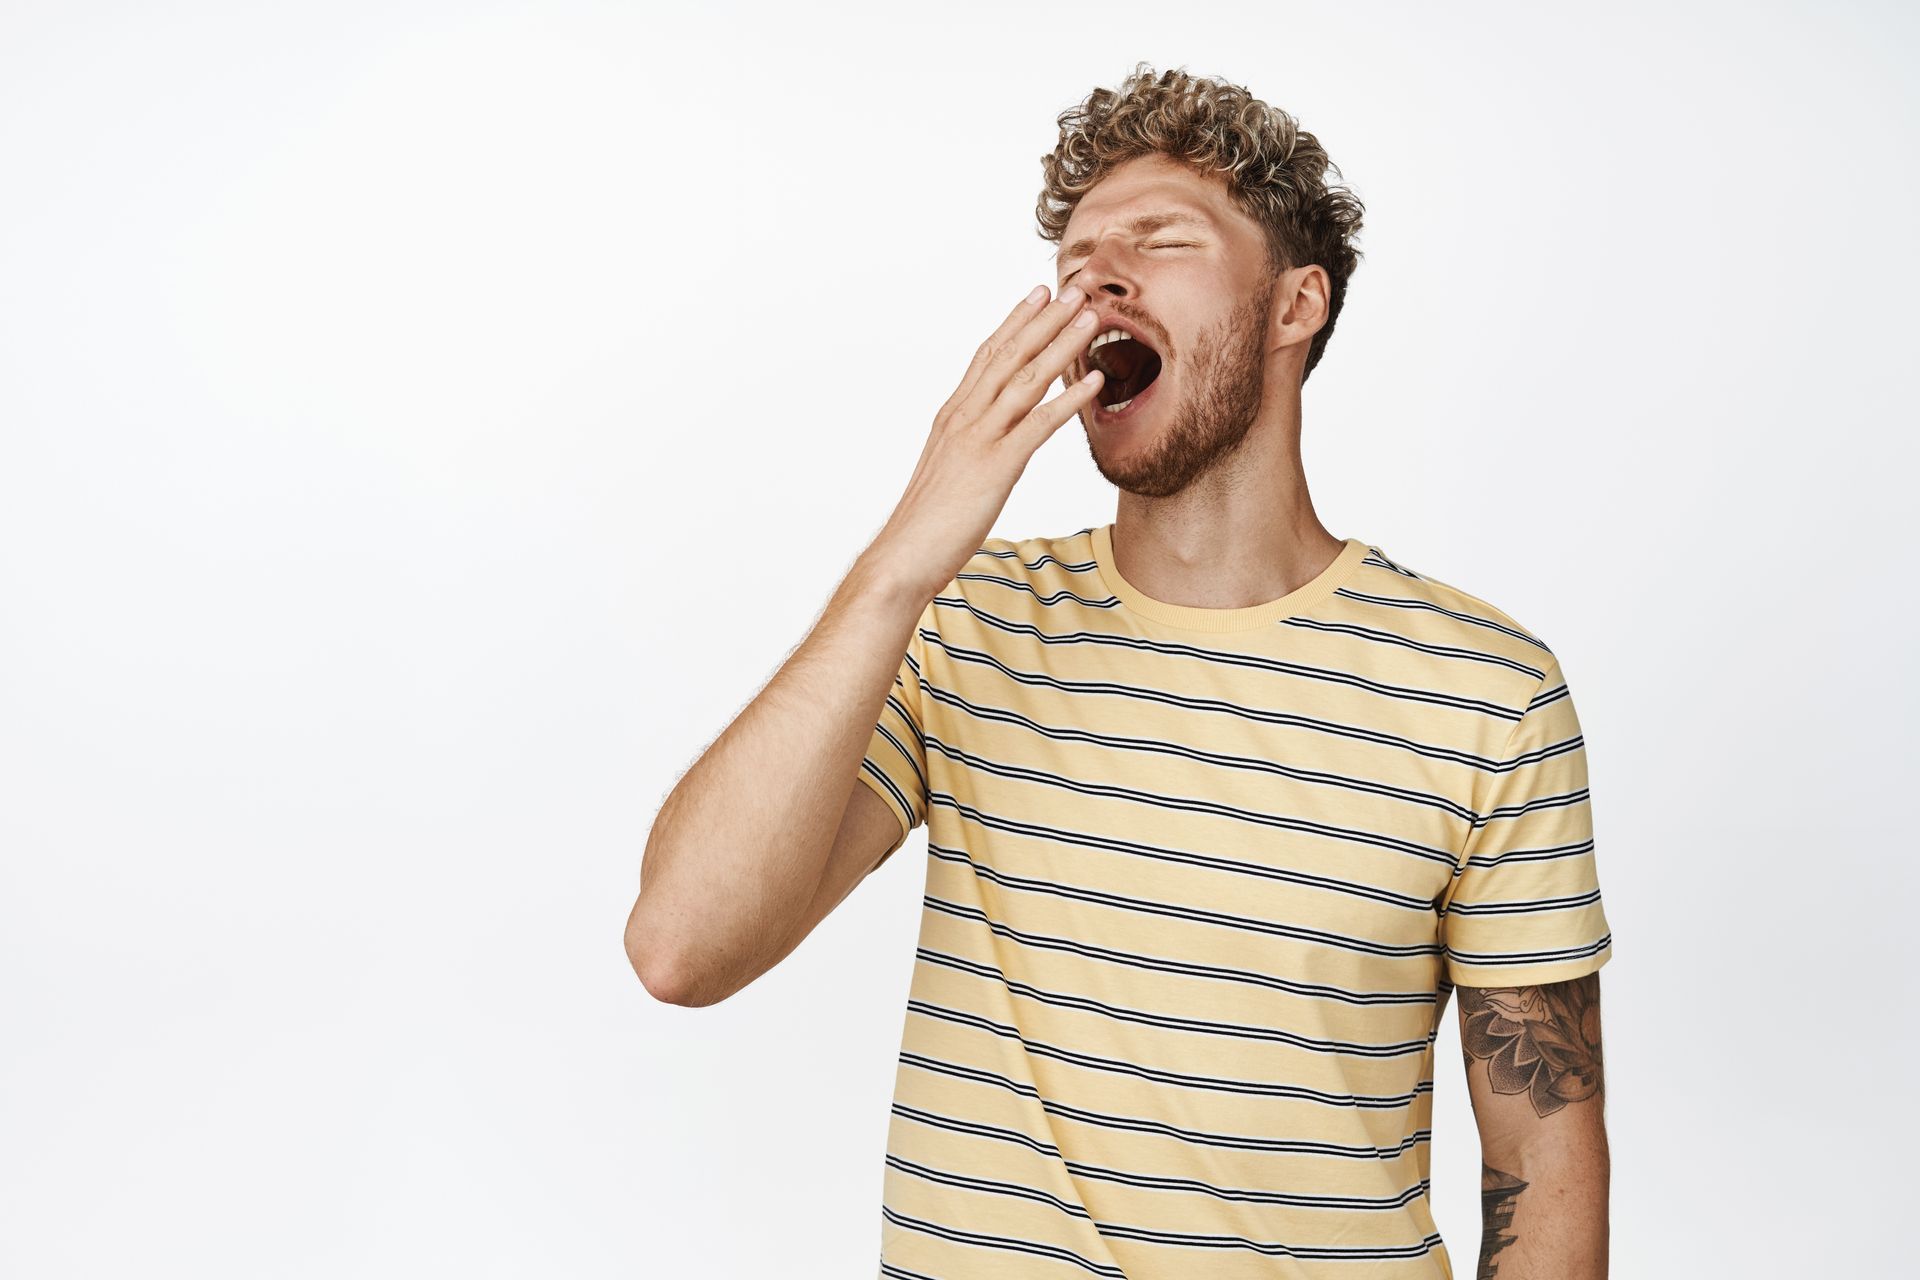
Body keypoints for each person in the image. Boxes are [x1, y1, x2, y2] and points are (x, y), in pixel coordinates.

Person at [627, 61, 1612, 1280]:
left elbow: (1546, 1155)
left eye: (1161, 239)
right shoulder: (964, 624)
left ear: (1296, 304)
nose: (1099, 276)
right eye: (1080, 257)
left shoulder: (1486, 691)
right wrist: (897, 565)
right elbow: (681, 945)